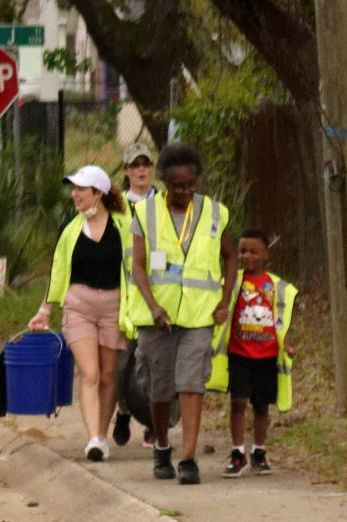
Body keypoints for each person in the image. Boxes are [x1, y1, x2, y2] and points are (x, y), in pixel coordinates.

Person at [128, 142, 237, 485]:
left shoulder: (215, 213)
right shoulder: (145, 214)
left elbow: (230, 256)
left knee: (192, 384)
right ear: (163, 181)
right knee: (159, 390)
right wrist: (153, 306)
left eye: (190, 185)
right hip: (157, 317)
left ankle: (188, 459)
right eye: (177, 186)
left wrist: (224, 299)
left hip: (198, 315)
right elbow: (139, 265)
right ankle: (162, 446)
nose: (185, 192)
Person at [28, 165, 132, 462]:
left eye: (80, 189)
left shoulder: (124, 226)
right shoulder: (70, 229)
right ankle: (95, 439)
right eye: (72, 189)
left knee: (110, 374)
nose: (74, 195)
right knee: (90, 373)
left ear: (98, 194)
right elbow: (59, 272)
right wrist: (45, 310)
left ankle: (102, 432)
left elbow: (137, 266)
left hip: (114, 307)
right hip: (79, 307)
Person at [207, 228, 297, 478]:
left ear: (266, 254)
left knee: (260, 406)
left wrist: (288, 343)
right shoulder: (232, 283)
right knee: (238, 402)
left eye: (254, 251)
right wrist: (218, 314)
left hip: (266, 356)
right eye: (243, 251)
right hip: (239, 355)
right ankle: (238, 453)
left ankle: (259, 451)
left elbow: (284, 321)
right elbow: (220, 312)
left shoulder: (277, 287)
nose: (248, 256)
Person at [113, 142, 159, 448]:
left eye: (145, 164)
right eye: (135, 165)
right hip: (122, 293)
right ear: (127, 171)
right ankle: (123, 410)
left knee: (152, 363)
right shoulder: (117, 207)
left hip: (155, 293)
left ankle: (154, 422)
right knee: (120, 362)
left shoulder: (165, 204)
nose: (141, 170)